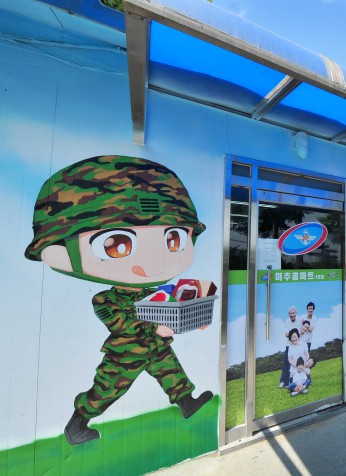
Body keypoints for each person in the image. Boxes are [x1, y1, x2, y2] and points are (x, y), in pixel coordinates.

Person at [24, 156, 213, 446]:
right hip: (126, 352)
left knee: (170, 369)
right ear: (60, 253)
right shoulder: (105, 300)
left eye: (172, 239)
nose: (151, 262)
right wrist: (156, 328)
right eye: (117, 245)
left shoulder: (154, 290)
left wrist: (190, 318)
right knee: (108, 388)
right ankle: (78, 422)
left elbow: (166, 308)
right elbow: (123, 324)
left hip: (153, 345)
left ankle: (186, 402)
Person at [279, 306, 300, 388]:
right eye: (291, 313)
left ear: (296, 313)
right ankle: (282, 381)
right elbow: (286, 334)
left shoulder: (300, 320)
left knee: (297, 363)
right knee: (286, 363)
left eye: (293, 313)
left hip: (297, 345)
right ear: (289, 314)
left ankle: (290, 382)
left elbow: (299, 333)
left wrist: (292, 334)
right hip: (289, 345)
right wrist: (294, 334)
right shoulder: (287, 321)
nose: (292, 315)